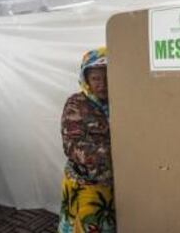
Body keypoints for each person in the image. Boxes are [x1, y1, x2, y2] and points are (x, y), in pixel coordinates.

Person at [58, 47, 116, 233]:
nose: (102, 84)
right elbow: (72, 146)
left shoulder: (121, 101)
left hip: (114, 182)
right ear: (87, 80)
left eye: (106, 77)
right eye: (96, 78)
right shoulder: (76, 104)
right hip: (86, 183)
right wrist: (115, 152)